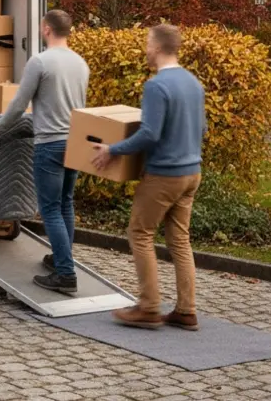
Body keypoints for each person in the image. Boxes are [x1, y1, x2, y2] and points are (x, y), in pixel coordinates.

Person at [91, 23, 204, 331]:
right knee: (180, 240)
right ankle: (186, 311)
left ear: (156, 48)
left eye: (147, 44)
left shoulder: (157, 86)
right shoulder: (193, 83)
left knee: (140, 233)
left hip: (164, 175)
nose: (145, 49)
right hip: (191, 173)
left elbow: (150, 134)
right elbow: (202, 128)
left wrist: (113, 149)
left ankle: (149, 307)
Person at [0, 9, 88, 294]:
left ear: (46, 29)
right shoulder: (81, 63)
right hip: (75, 141)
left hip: (50, 143)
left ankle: (65, 274)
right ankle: (61, 258)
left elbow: (19, 104)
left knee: (50, 208)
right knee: (65, 203)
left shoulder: (40, 62)